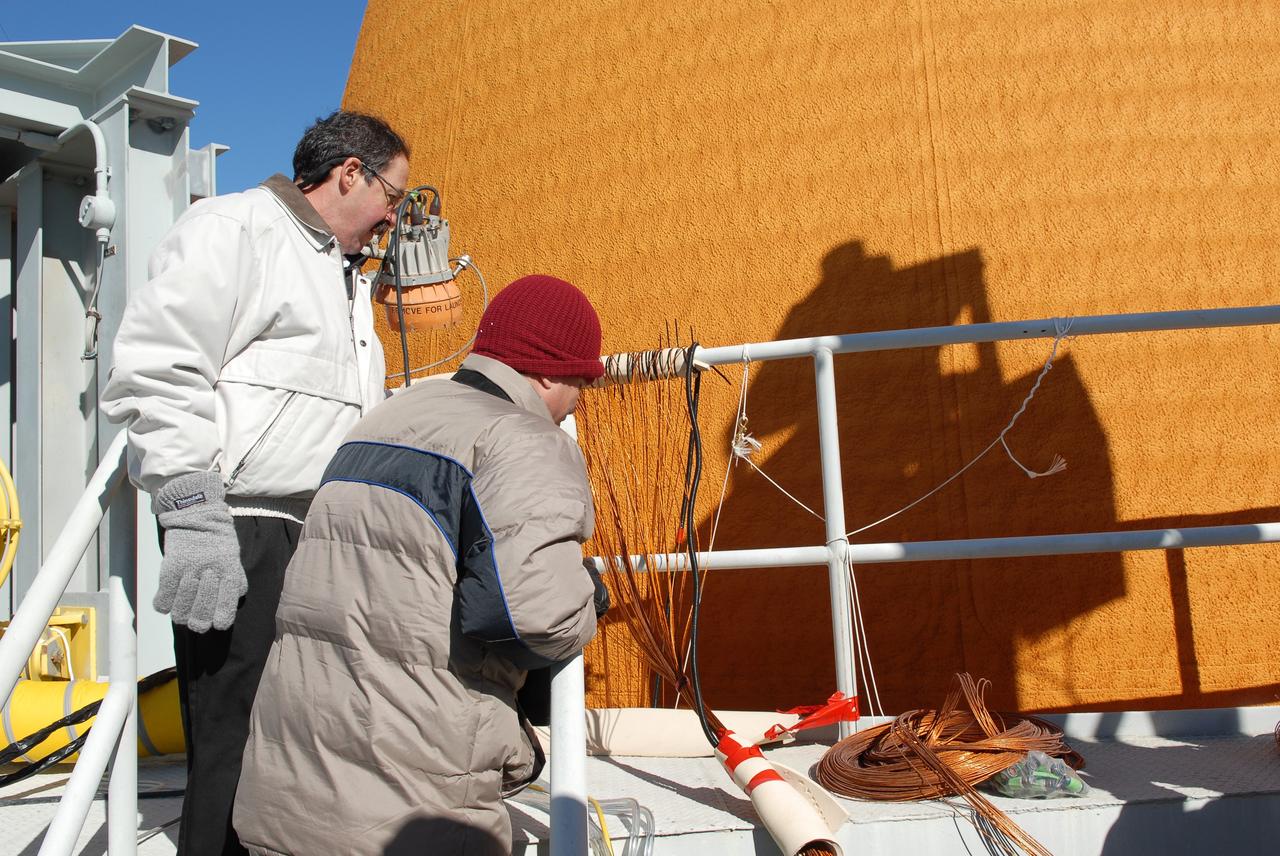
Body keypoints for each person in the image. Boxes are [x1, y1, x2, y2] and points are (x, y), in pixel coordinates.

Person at [100, 110, 409, 855]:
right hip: (237, 522)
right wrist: (190, 507)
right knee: (232, 728)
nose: (394, 219)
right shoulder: (232, 229)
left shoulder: (346, 282)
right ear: (348, 175)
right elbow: (159, 365)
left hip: (315, 533)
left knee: (302, 735)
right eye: (393, 198)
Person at [233, 274, 609, 856]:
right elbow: (533, 617)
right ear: (551, 371)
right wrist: (588, 595)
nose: (573, 407)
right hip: (409, 805)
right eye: (582, 384)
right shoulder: (523, 438)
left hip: (287, 792)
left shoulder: (383, 419)